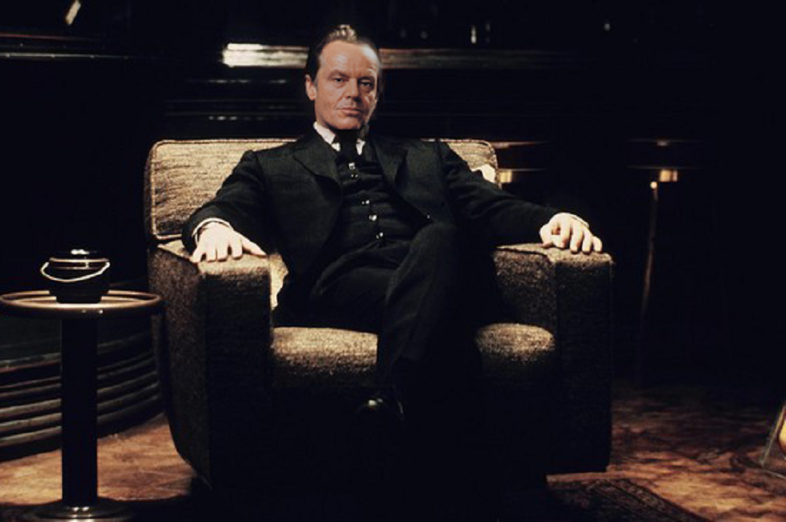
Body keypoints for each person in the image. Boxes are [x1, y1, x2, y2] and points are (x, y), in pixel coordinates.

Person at [183, 24, 601, 504]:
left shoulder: (429, 156)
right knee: (445, 324)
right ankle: (466, 492)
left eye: (367, 82)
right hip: (343, 287)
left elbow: (490, 207)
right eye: (339, 79)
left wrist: (553, 219)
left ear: (378, 92)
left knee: (441, 237)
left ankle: (390, 405)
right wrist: (213, 229)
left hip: (440, 269)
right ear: (311, 86)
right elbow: (222, 209)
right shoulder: (269, 165)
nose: (354, 93)